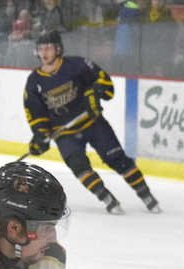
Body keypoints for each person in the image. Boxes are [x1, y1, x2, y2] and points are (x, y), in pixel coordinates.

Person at [24, 30, 161, 214]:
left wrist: (95, 92)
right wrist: (40, 135)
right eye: (41, 48)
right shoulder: (34, 82)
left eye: (48, 47)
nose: (44, 52)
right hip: (65, 133)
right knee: (79, 167)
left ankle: (147, 196)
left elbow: (104, 82)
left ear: (58, 49)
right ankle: (108, 199)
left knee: (118, 160)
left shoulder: (77, 65)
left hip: (92, 122)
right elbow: (35, 113)